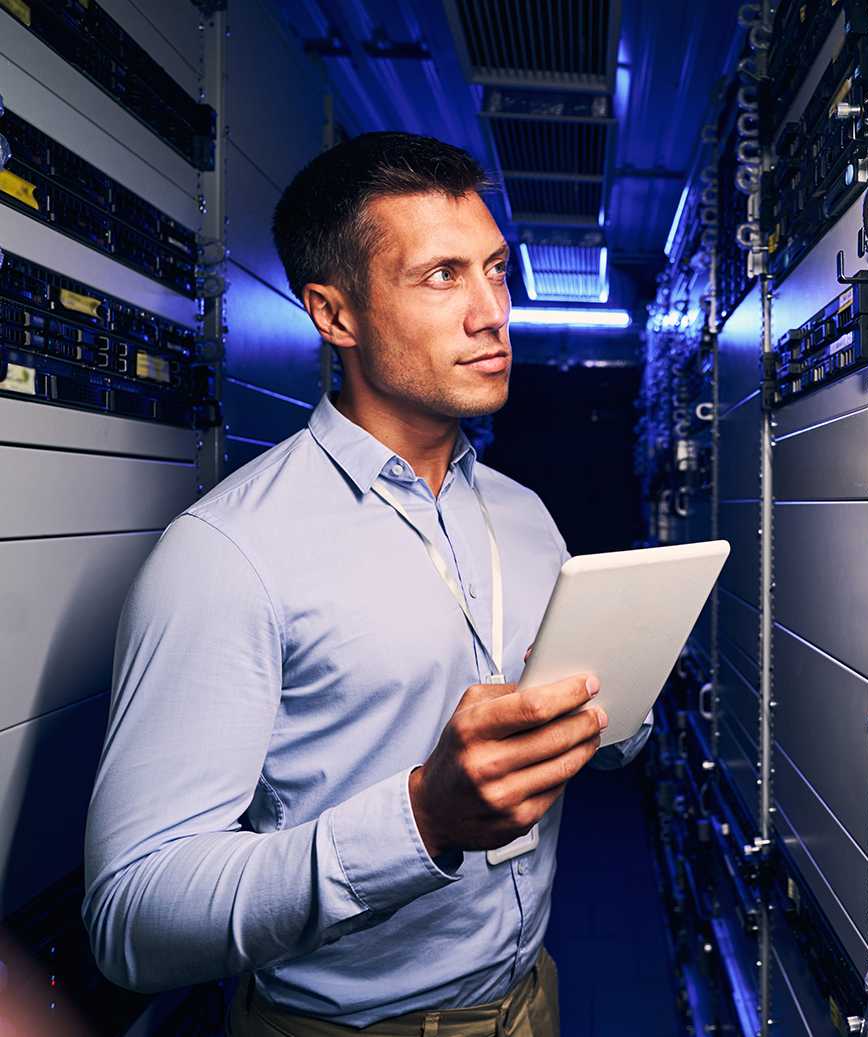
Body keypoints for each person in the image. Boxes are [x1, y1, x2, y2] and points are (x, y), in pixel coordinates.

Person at [81, 132, 651, 1037]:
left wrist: (609, 707)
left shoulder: (525, 516)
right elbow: (131, 917)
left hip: (530, 1000)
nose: (492, 311)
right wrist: (422, 819)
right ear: (333, 315)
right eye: (440, 276)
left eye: (496, 269)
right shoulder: (228, 553)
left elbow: (576, 737)